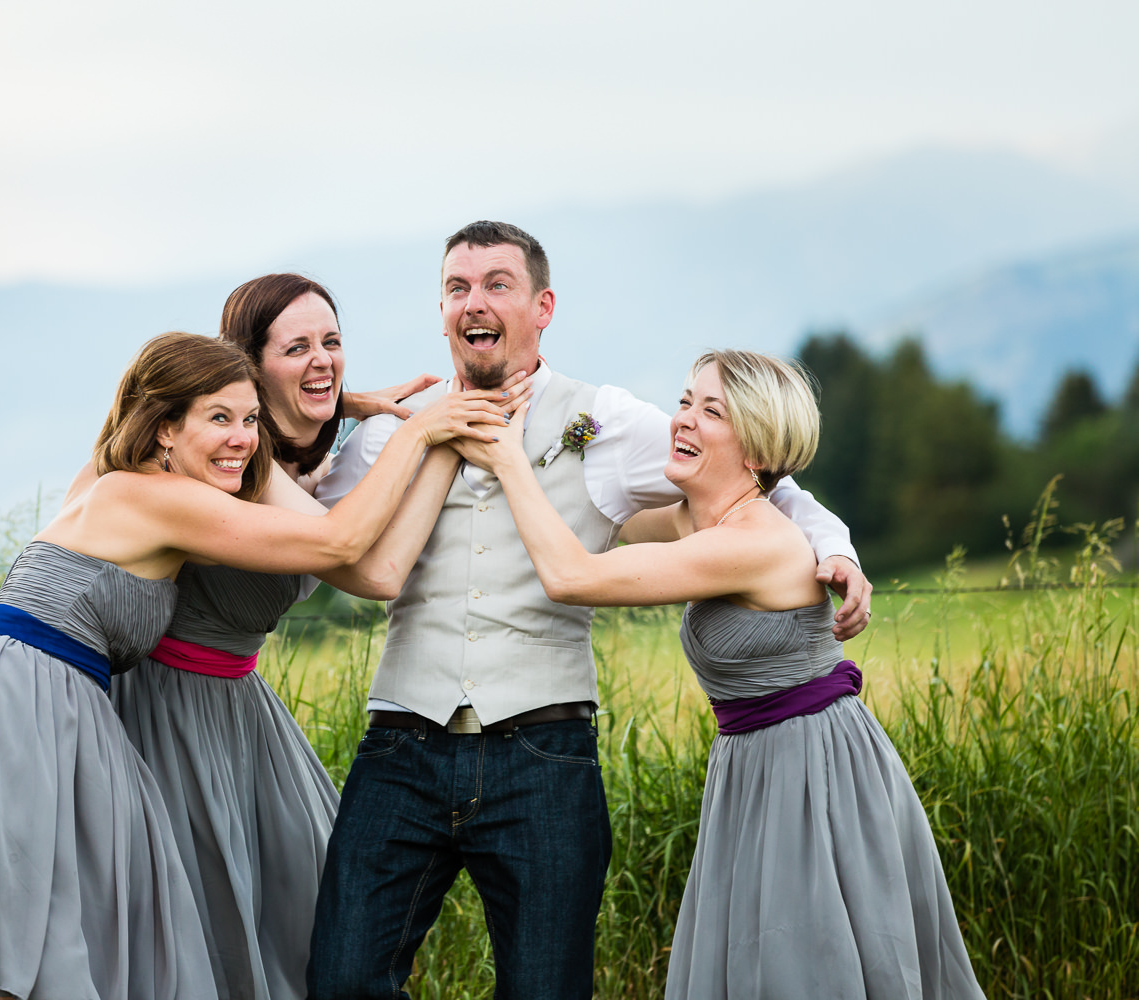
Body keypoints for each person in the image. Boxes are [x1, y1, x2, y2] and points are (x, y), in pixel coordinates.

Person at [306, 221, 873, 999]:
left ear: (542, 306)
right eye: (457, 287)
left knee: (548, 989)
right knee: (340, 981)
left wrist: (833, 545)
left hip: (544, 754)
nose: (475, 301)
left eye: (497, 284)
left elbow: (754, 470)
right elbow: (308, 525)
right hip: (400, 744)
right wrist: (342, 412)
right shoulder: (386, 436)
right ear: (440, 310)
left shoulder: (602, 422)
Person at [0, 332, 513, 1000]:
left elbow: (208, 420)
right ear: (163, 431)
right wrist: (423, 433)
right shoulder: (155, 498)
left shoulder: (110, 478)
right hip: (8, 712)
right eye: (219, 419)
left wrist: (343, 404)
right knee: (7, 953)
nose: (242, 438)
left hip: (28, 702)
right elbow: (338, 540)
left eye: (250, 420)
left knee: (41, 943)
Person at [460, 349, 985, 998]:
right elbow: (600, 513)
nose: (682, 419)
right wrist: (558, 427)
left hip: (810, 773)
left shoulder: (753, 542)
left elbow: (573, 577)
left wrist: (507, 457)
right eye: (685, 401)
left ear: (757, 450)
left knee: (804, 964)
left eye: (711, 411)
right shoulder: (702, 520)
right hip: (755, 769)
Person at [95, 278, 516, 999]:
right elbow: (375, 569)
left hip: (241, 709)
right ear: (246, 367)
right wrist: (434, 435)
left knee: (312, 909)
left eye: (332, 342)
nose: (323, 360)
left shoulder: (288, 452)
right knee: (199, 927)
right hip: (166, 712)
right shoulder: (229, 466)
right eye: (296, 347)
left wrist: (357, 411)